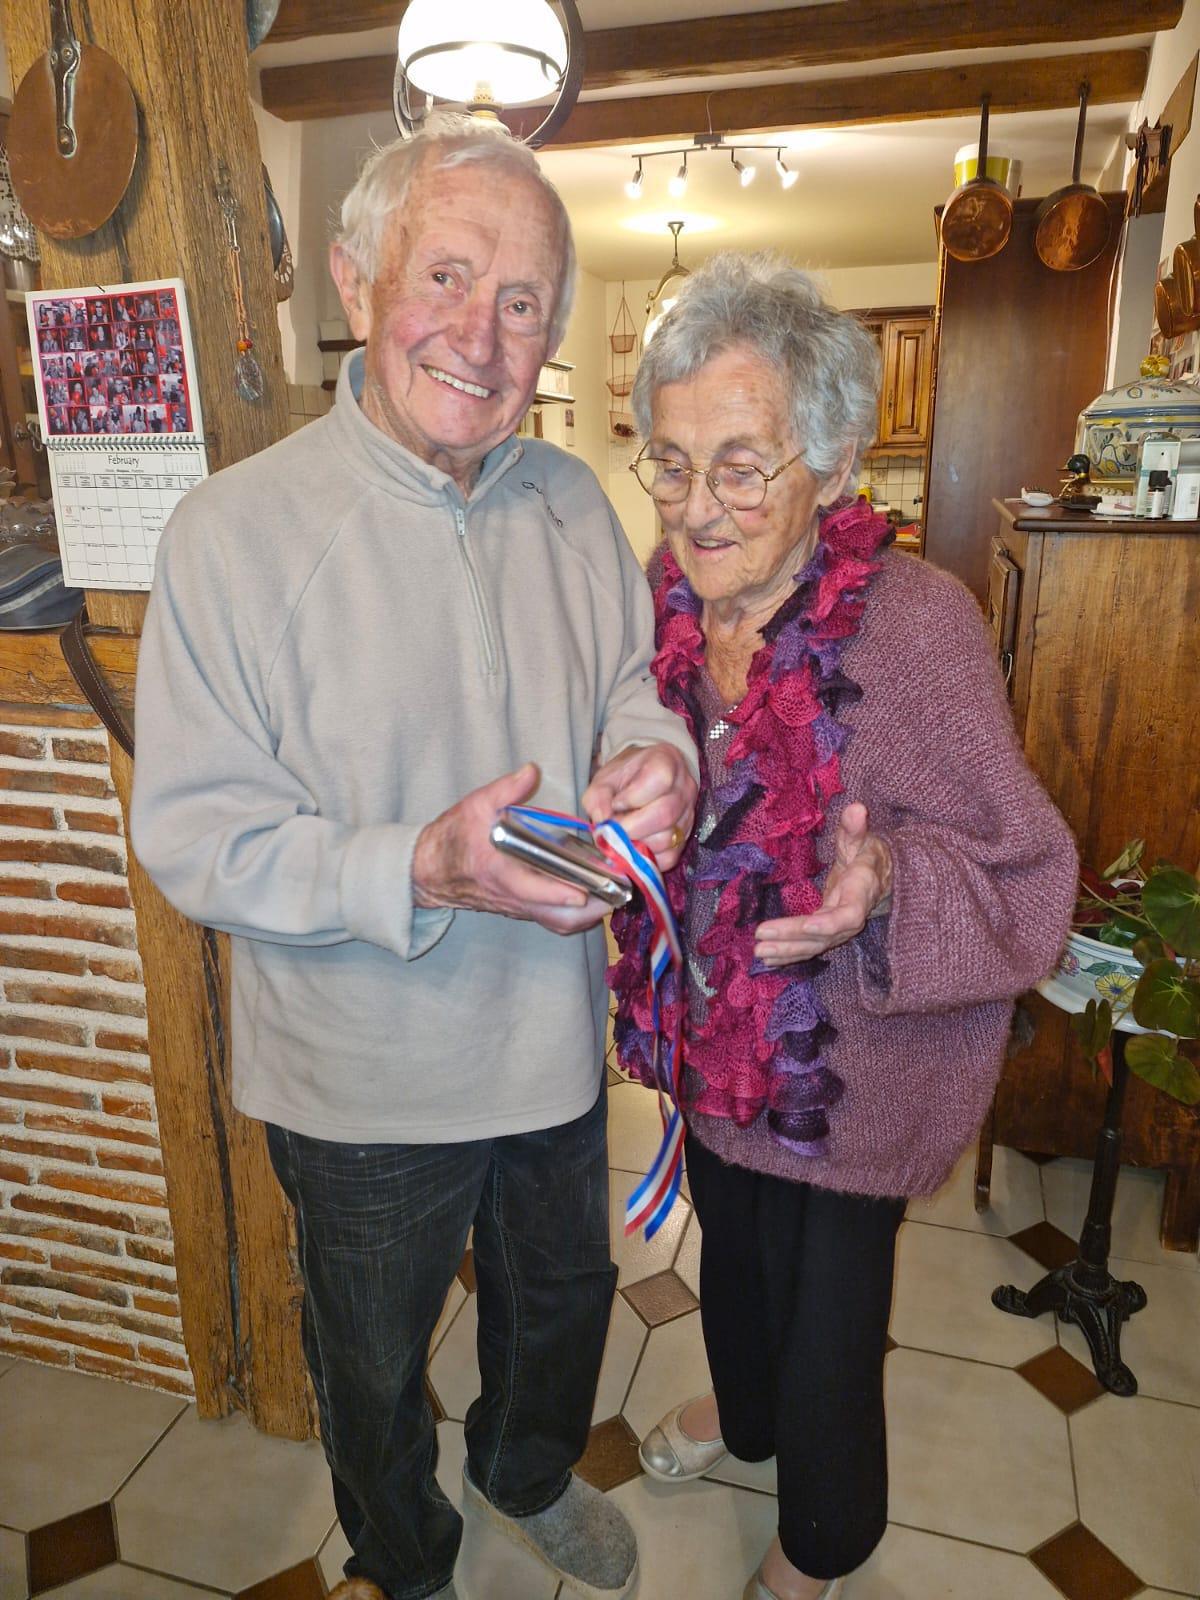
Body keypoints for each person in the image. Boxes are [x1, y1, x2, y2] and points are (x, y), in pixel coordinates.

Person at [131, 117, 698, 1600]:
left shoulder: (579, 502)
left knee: (562, 1295)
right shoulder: (229, 534)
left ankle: (522, 1472)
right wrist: (419, 870)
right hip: (359, 1073)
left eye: (523, 302)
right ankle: (404, 1554)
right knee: (371, 1358)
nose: (483, 333)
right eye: (446, 274)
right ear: (354, 274)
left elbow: (636, 689)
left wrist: (664, 763)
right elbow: (194, 834)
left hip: (553, 1041)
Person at [607, 254, 1077, 1600]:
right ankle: (738, 1418)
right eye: (675, 464)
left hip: (855, 1073)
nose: (701, 509)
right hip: (709, 1040)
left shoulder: (920, 626)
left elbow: (1028, 866)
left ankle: (819, 1546)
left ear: (827, 461)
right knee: (732, 1264)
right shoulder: (661, 605)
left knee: (828, 1326)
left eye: (743, 466)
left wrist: (886, 885)